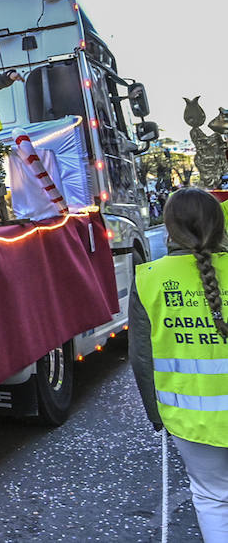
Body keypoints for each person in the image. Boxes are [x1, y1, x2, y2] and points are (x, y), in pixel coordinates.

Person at [132, 187, 228, 542]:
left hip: (190, 418)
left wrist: (157, 416)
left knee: (213, 497)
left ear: (170, 228)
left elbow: (143, 358)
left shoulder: (149, 278)